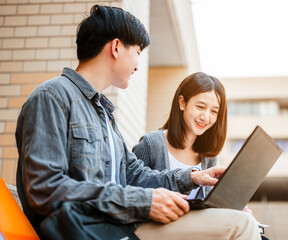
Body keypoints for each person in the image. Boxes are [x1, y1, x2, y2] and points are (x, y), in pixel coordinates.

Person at [15, 5, 261, 240]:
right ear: (116, 48)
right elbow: (45, 188)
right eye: (137, 52)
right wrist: (144, 201)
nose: (137, 64)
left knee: (242, 222)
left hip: (120, 224)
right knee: (240, 226)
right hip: (90, 229)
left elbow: (135, 175)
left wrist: (193, 177)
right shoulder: (52, 97)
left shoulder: (103, 113)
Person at [133, 72, 227, 200]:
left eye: (214, 111)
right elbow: (131, 191)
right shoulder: (151, 144)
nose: (206, 117)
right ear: (182, 103)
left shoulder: (208, 157)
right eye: (200, 107)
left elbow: (207, 203)